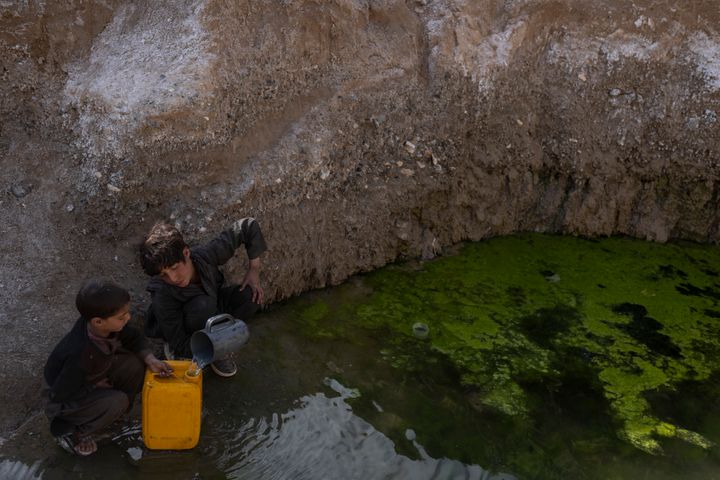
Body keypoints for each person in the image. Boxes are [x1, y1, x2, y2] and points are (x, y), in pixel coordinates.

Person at [43, 279, 173, 456]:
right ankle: (77, 433)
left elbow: (133, 338)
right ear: (98, 322)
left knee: (135, 365)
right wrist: (94, 385)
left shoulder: (106, 327)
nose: (127, 318)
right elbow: (59, 394)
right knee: (116, 401)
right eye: (121, 317)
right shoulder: (80, 353)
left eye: (126, 313)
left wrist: (150, 359)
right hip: (66, 396)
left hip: (92, 377)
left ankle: (116, 416)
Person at [139, 217, 267, 377]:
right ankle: (207, 351)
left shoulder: (205, 256)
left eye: (174, 268)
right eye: (164, 274)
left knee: (251, 296)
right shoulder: (163, 294)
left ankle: (216, 344)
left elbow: (247, 226)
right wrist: (206, 350)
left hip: (212, 307)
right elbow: (177, 340)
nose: (172, 278)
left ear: (186, 253)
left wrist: (254, 269)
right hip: (184, 328)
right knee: (202, 305)